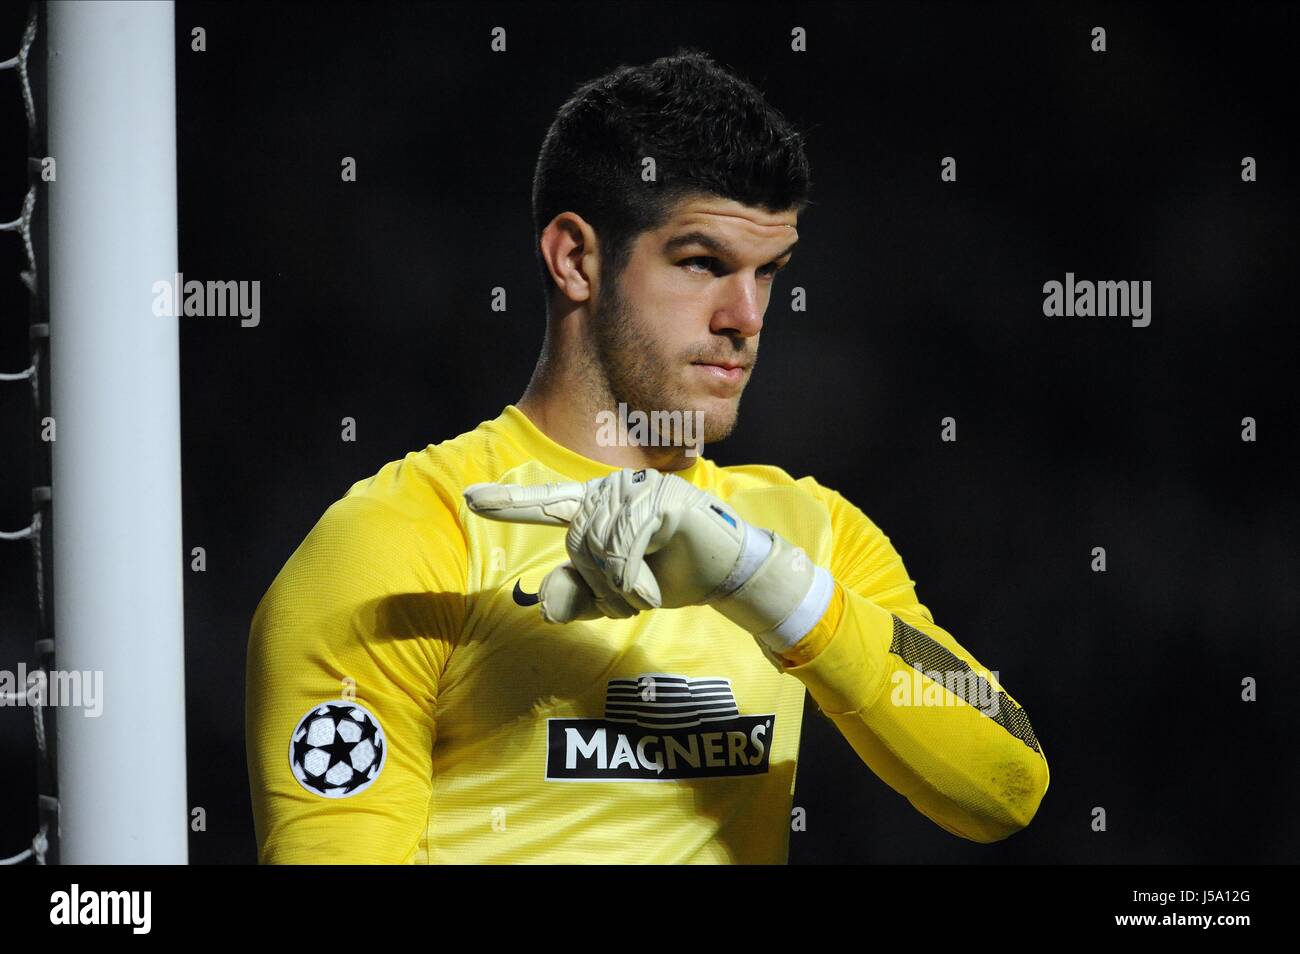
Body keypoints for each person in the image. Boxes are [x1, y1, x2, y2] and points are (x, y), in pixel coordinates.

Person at [245, 48, 1049, 864]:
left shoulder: (807, 534)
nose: (747, 315)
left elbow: (1006, 785)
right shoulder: (402, 540)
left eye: (769, 272)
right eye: (702, 263)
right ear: (576, 259)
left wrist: (761, 582)